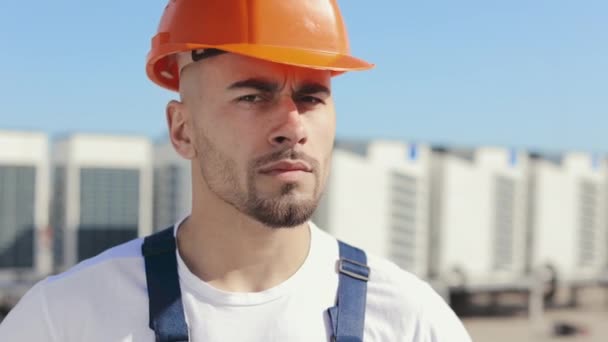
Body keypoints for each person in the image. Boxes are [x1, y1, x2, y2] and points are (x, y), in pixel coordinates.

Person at [0, 0, 472, 341]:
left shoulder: (409, 321)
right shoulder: (64, 320)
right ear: (182, 130)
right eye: (252, 96)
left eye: (311, 97)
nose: (292, 126)